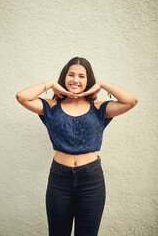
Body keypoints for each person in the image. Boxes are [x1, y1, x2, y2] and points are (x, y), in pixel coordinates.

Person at [16, 57, 138, 236]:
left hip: (92, 180)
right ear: (64, 78)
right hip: (59, 179)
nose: (75, 80)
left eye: (82, 76)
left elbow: (131, 101)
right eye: (71, 75)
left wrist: (103, 84)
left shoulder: (99, 108)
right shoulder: (51, 107)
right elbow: (22, 97)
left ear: (88, 81)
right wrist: (50, 84)